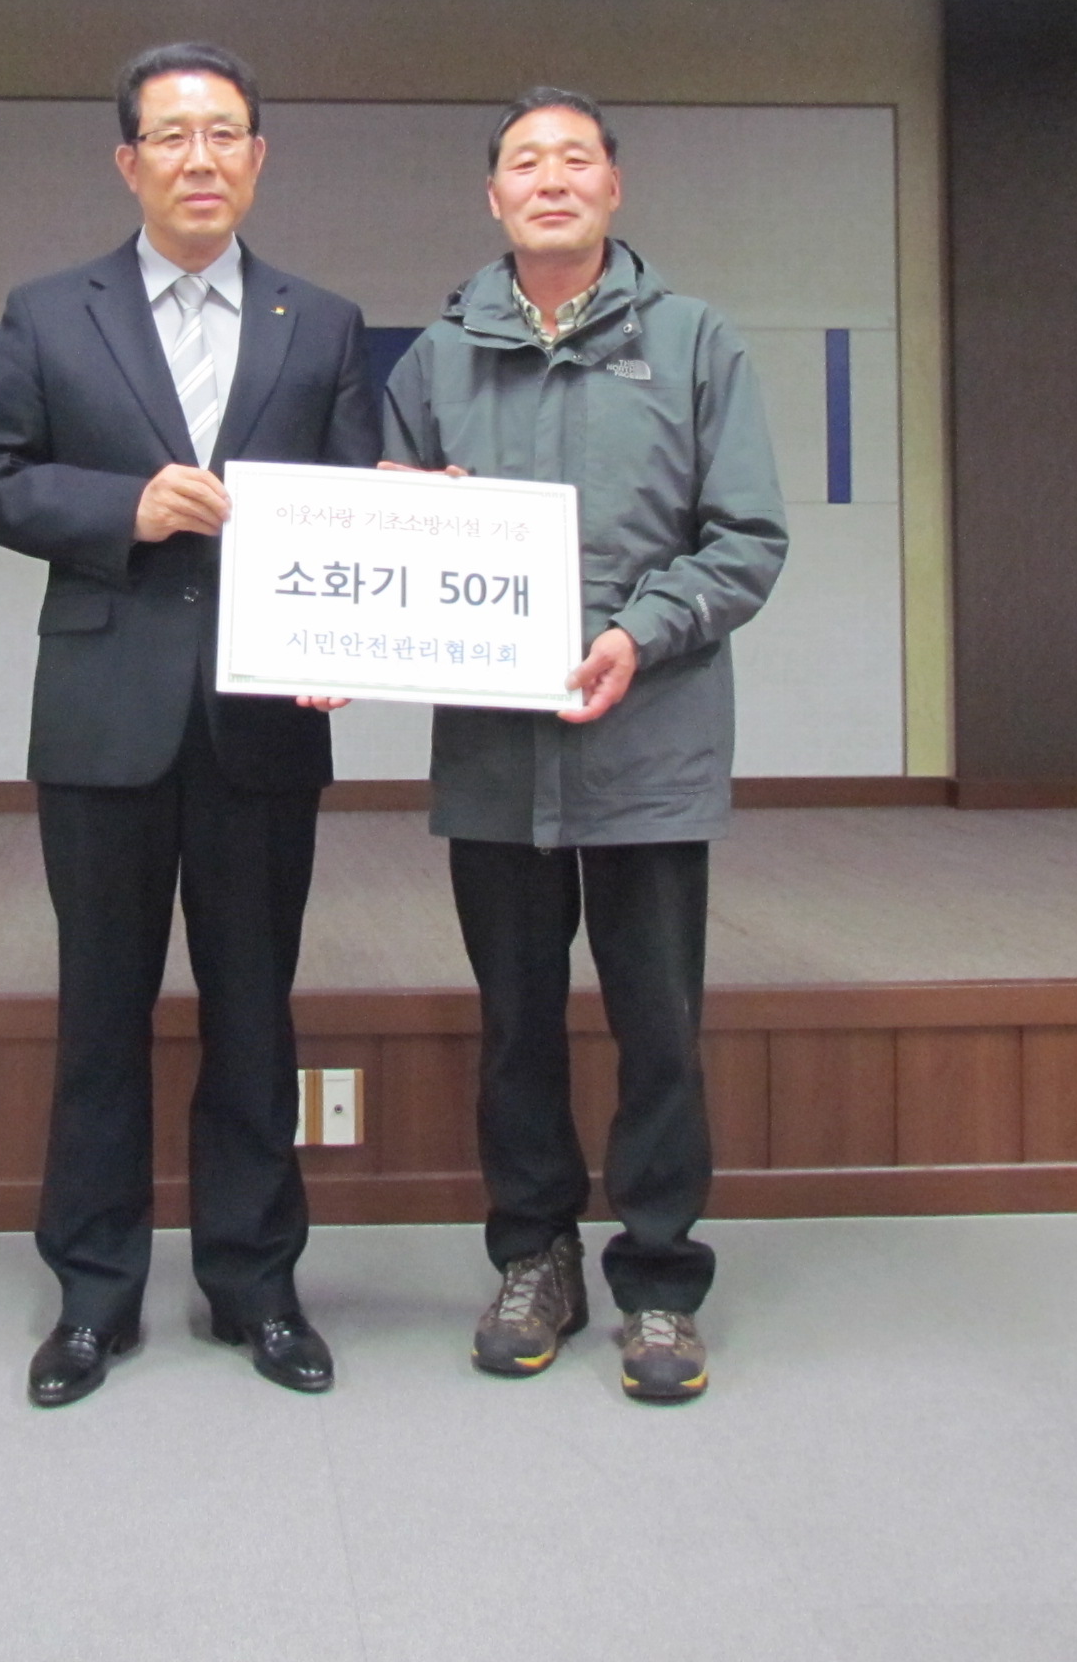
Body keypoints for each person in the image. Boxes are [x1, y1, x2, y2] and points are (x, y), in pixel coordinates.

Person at [0, 42, 380, 1408]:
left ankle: (256, 1285)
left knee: (257, 1014)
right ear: (128, 161)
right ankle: (93, 1294)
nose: (201, 158)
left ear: (259, 157)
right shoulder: (48, 311)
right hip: (103, 716)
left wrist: (358, 616)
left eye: (225, 133)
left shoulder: (323, 322)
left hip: (266, 720)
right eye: (173, 135)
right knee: (101, 1015)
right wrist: (119, 510)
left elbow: (351, 506)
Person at [381, 89, 787, 1404]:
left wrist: (639, 632)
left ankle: (660, 1280)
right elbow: (386, 533)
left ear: (614, 187)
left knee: (658, 1025)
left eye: (575, 159)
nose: (550, 178)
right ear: (493, 196)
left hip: (650, 740)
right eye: (524, 161)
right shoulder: (433, 362)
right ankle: (533, 1259)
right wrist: (396, 540)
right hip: (496, 756)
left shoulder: (697, 342)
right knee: (515, 1025)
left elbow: (747, 538)